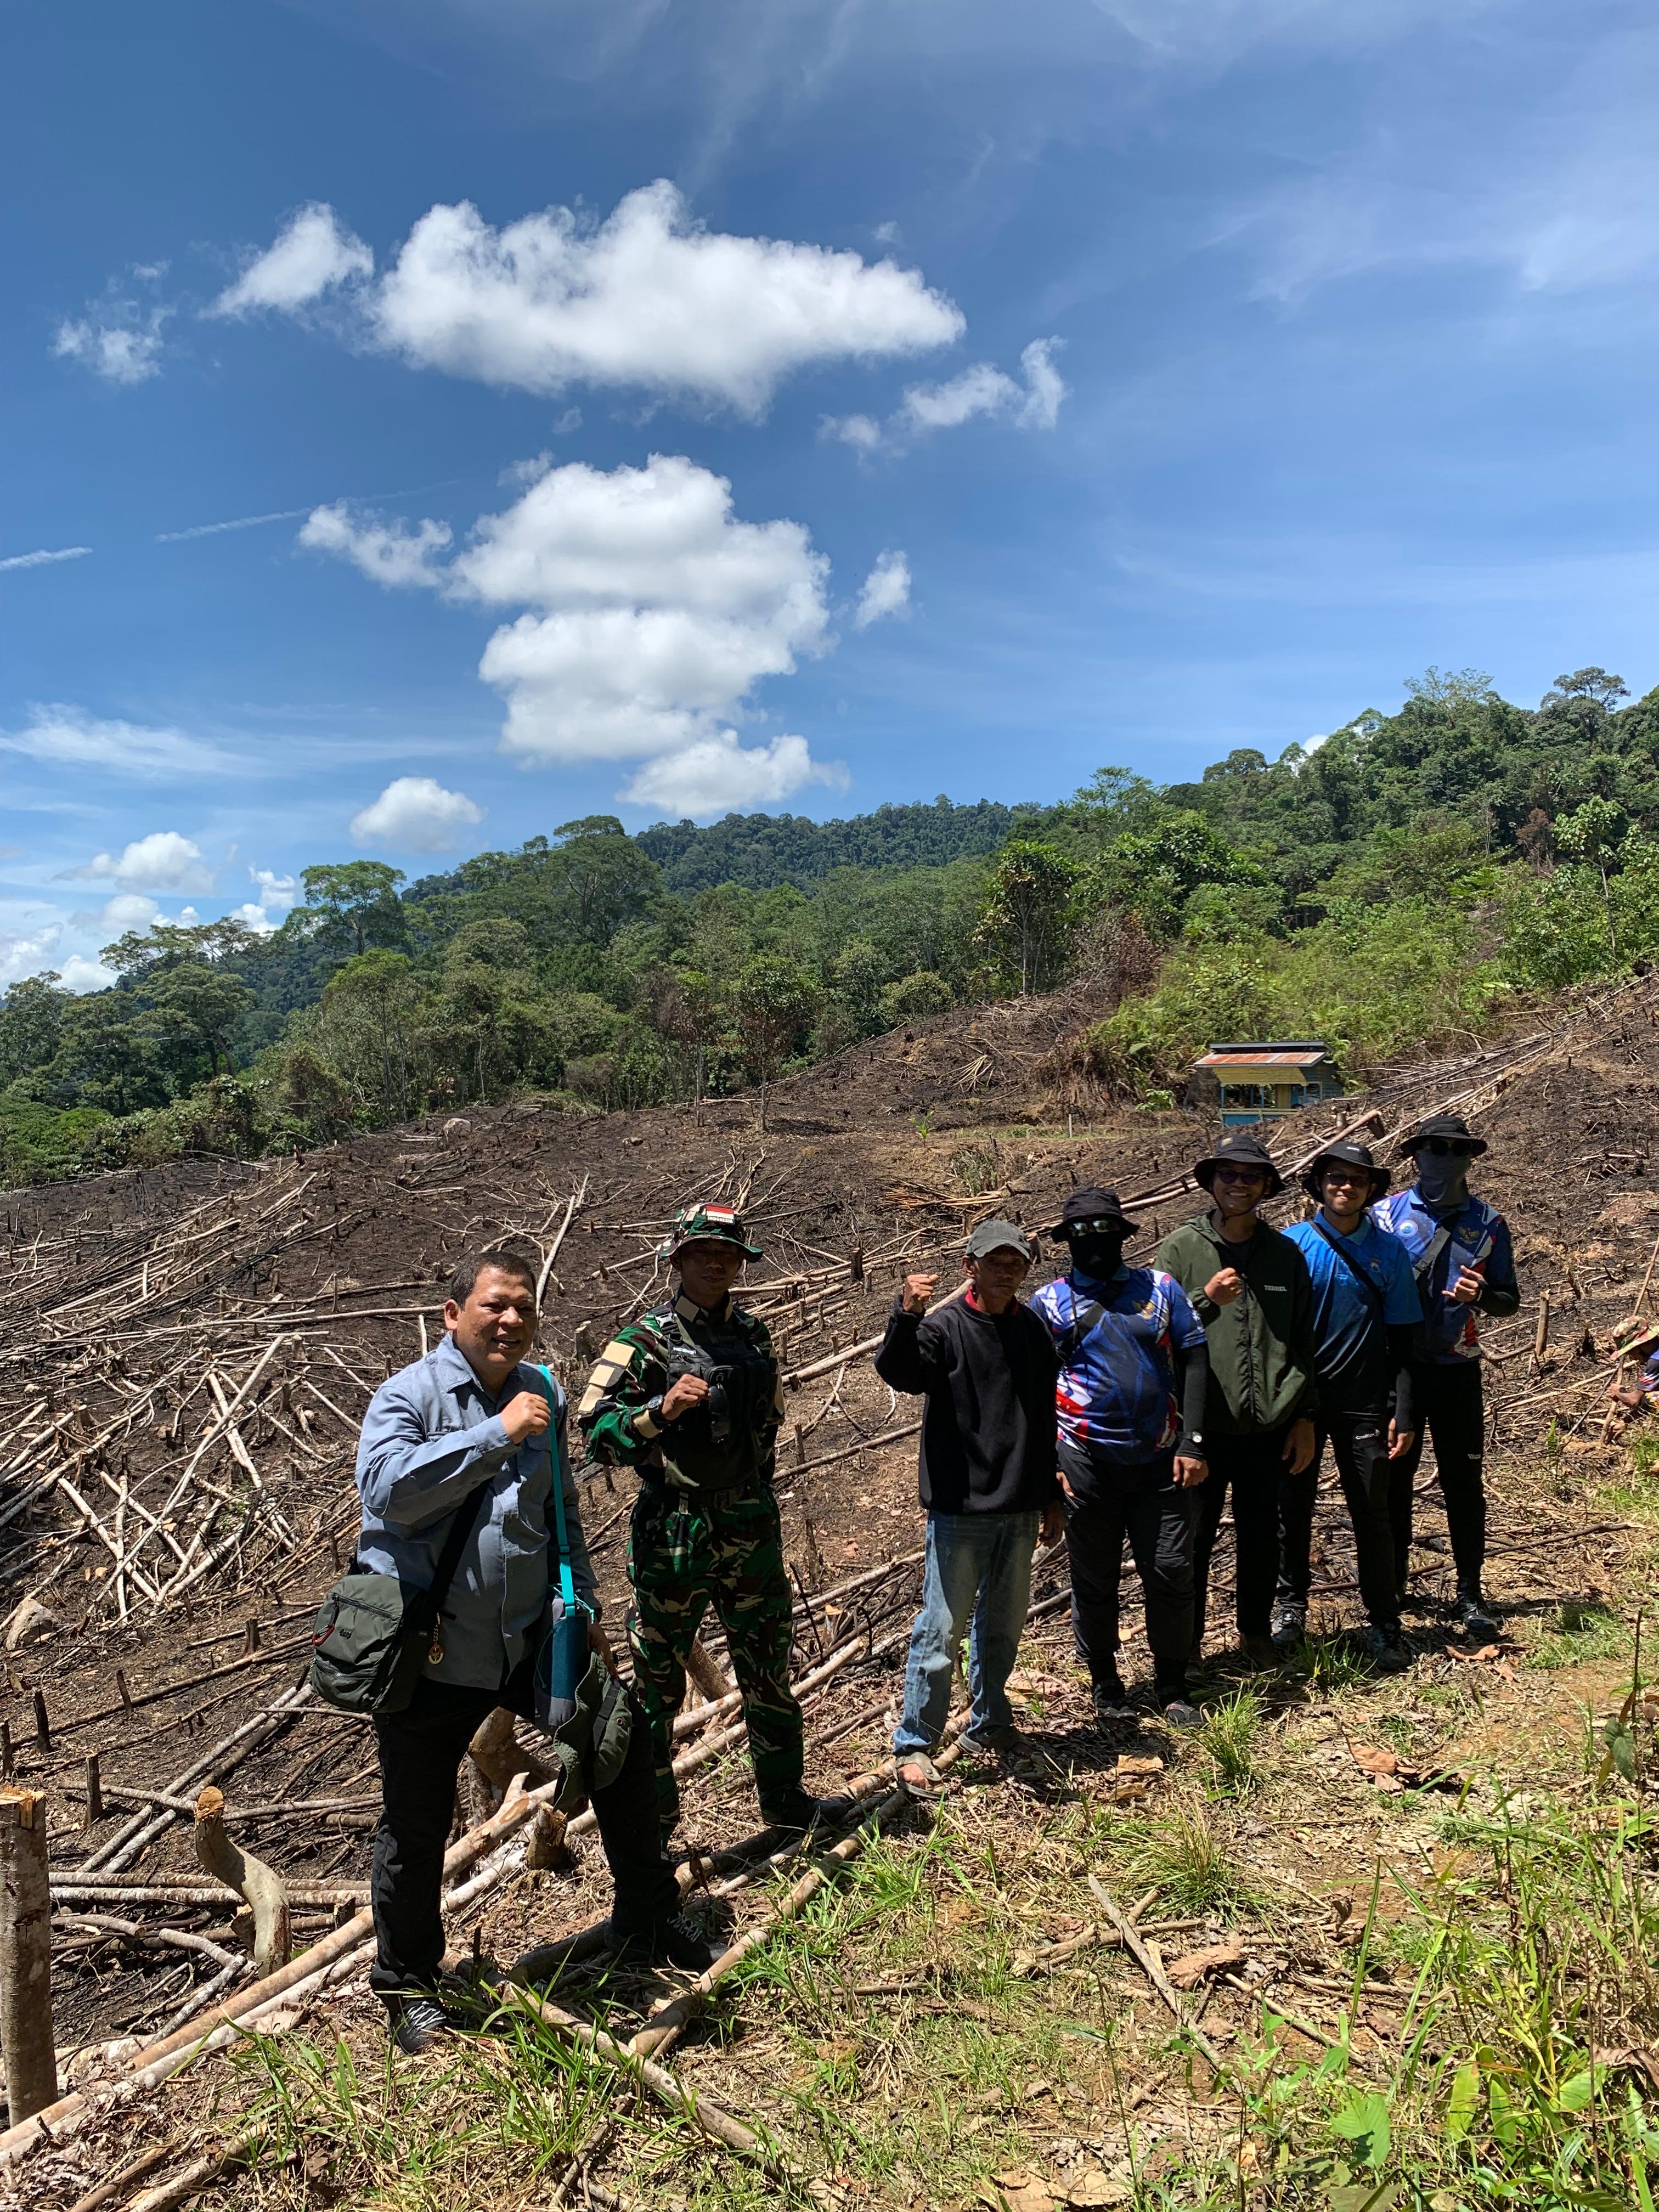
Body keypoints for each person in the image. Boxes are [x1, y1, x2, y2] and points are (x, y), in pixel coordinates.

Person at [354, 1250, 707, 2056]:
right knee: (415, 1821)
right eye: (494, 1305)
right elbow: (388, 1493)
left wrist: (584, 1607)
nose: (511, 1319)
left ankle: (648, 1918)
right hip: (432, 1648)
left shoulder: (542, 1388)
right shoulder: (408, 1396)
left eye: (524, 1306)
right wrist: (495, 1434)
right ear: (453, 1315)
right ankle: (408, 1984)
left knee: (620, 1742)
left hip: (526, 1635)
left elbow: (561, 1512)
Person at [578, 1203, 847, 1840]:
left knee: (768, 1673)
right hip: (673, 1534)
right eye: (702, 1251)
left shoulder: (754, 1335)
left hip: (749, 1524)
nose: (715, 1262)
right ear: (677, 1259)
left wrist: (753, 1493)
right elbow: (596, 1434)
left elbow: (769, 1422)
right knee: (656, 1689)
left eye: (727, 1254)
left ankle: (785, 1804)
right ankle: (654, 1828)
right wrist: (659, 1413)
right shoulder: (642, 1341)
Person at [876, 1220, 1063, 1780]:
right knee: (941, 1629)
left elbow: (1043, 1418)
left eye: (1016, 1263)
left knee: (1002, 1627)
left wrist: (1051, 1496)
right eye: (995, 1261)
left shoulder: (1031, 1329)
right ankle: (915, 1743)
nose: (1007, 1271)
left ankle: (991, 1721)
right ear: (970, 1267)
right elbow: (901, 1372)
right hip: (961, 1510)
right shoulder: (945, 1328)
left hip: (1019, 1506)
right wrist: (906, 1314)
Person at [1031, 1187, 1210, 1728]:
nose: (1094, 1240)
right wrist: (1048, 1465)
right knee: (1095, 1573)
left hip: (1162, 1457)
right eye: (1081, 1232)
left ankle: (1173, 1682)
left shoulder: (1160, 1289)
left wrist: (1193, 1440)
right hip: (1084, 1459)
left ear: (1123, 1234)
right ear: (1067, 1240)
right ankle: (1106, 1681)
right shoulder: (1048, 1303)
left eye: (1104, 1229)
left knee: (1171, 1569)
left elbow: (1195, 1356)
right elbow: (1033, 1386)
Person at [1156, 1133, 1319, 1666]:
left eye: (1251, 1176)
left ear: (1267, 1186)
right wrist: (1205, 1301)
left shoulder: (1284, 1255)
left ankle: (1255, 1633)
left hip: (1268, 1426)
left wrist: (1304, 1416)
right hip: (1202, 1426)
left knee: (1262, 1535)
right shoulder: (1181, 1248)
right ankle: (1187, 1646)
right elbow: (1155, 1330)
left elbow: (1303, 1339)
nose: (1239, 1184)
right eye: (1228, 1174)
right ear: (1212, 1182)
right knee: (1193, 1539)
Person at [1373, 1114, 1520, 1639]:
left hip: (1458, 1369)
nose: (1446, 1159)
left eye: (1458, 1150)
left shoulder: (1489, 1222)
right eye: (1436, 1148)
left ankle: (1470, 1591)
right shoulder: (1384, 1216)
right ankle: (1393, 1586)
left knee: (1464, 1483)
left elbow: (1509, 1299)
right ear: (1416, 1155)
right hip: (1398, 1370)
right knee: (1394, 1480)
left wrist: (1481, 1296)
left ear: (1471, 1159)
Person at [1280, 1142, 1420, 1673]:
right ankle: (1290, 1609)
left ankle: (1384, 1620)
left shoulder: (1389, 1252)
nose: (1346, 1187)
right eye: (1336, 1177)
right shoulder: (1291, 1247)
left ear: (1371, 1190)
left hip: (1365, 1403)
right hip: (1300, 1405)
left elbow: (1404, 1337)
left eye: (1358, 1180)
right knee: (1291, 1509)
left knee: (1372, 1510)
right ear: (1318, 1184)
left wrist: (1402, 1409)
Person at [1606, 1317, 1659, 1430]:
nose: (1633, 1357)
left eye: (1631, 1352)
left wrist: (1618, 1392)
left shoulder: (1655, 1362)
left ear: (1641, 1345)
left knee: (1651, 1399)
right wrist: (1626, 1421)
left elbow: (1634, 1401)